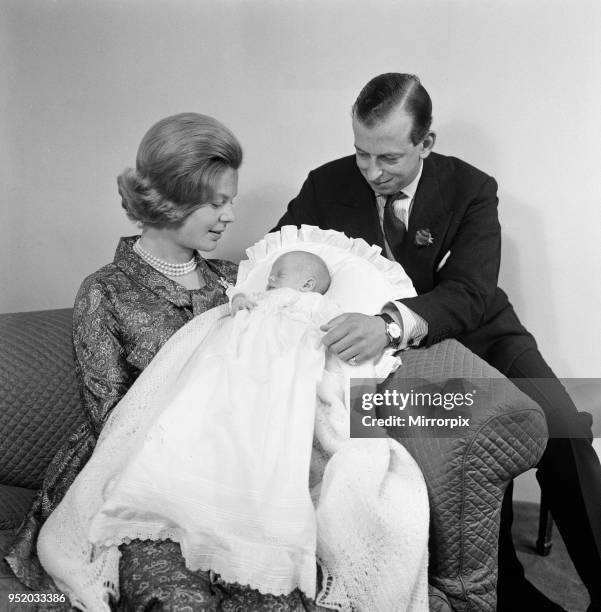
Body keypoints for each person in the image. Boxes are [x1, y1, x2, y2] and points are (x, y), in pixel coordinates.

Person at [274, 72, 601, 612]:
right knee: (467, 444)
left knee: (564, 433)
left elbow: (472, 291)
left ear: (426, 143)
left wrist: (391, 320)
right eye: (361, 155)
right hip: (393, 369)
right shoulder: (323, 186)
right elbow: (279, 259)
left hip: (487, 335)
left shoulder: (472, 188)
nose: (372, 172)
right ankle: (508, 591)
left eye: (389, 159)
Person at [5, 112, 319, 611]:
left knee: (274, 600)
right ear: (171, 200)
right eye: (217, 203)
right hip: (138, 478)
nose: (231, 216)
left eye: (231, 200)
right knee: (176, 601)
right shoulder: (105, 291)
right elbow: (112, 419)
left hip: (239, 475)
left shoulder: (240, 282)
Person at [230, 250, 332, 313]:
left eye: (281, 275)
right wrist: (239, 300)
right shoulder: (264, 296)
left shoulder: (314, 301)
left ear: (306, 285)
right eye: (271, 276)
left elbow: (332, 317)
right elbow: (243, 296)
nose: (270, 279)